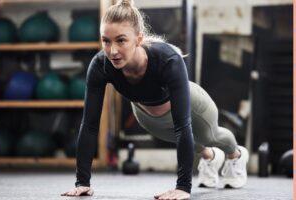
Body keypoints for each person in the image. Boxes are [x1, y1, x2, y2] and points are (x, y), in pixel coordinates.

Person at [61, 0, 249, 199]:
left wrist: (183, 187)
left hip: (193, 106)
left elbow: (183, 124)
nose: (112, 51)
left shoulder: (167, 60)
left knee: (211, 137)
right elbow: (89, 125)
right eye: (106, 41)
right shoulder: (100, 65)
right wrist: (82, 182)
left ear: (138, 38)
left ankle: (235, 155)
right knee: (191, 143)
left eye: (121, 40)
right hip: (147, 115)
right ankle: (210, 157)